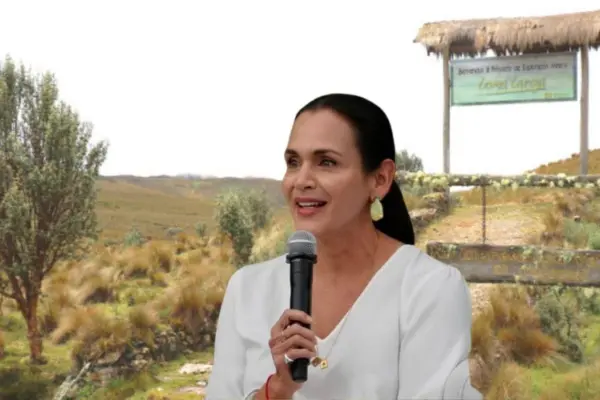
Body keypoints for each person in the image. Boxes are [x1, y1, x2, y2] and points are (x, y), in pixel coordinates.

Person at [205, 93, 482, 399]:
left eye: (326, 162)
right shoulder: (247, 290)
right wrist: (278, 390)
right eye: (293, 162)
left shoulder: (429, 289)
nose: (302, 180)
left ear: (380, 179)